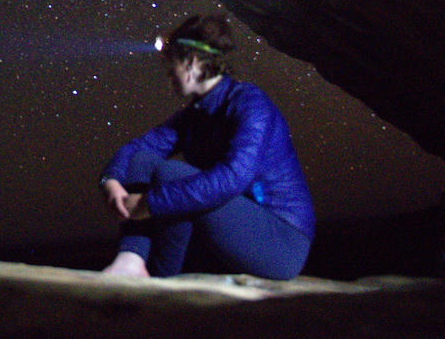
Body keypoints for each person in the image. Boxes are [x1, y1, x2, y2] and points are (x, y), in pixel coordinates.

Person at [98, 14, 315, 279]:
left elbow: (233, 178)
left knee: (171, 175)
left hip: (281, 241)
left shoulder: (250, 104)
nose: (168, 76)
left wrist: (150, 203)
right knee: (144, 161)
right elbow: (138, 150)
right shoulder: (195, 115)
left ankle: (161, 280)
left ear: (192, 61)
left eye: (172, 67)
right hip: (235, 226)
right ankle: (130, 260)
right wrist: (111, 180)